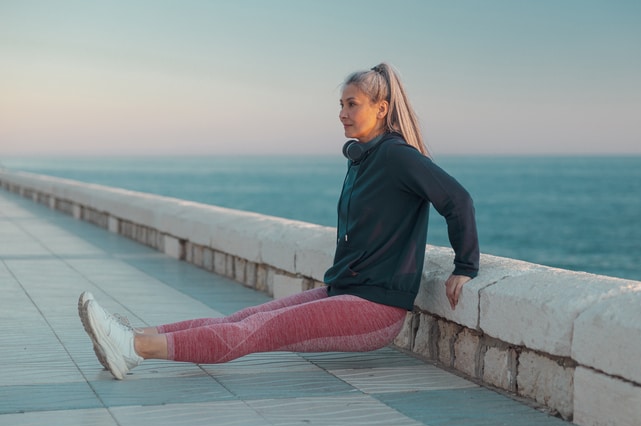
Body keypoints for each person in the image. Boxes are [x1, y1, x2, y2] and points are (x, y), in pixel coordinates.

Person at [79, 62, 479, 380]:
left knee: (252, 334)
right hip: (345, 290)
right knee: (242, 319)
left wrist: (465, 266)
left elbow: (457, 199)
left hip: (375, 307)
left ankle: (133, 350)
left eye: (351, 104)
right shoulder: (365, 158)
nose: (342, 114)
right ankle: (135, 336)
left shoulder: (398, 156)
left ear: (381, 108)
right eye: (340, 104)